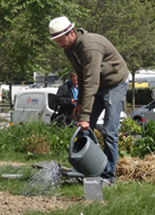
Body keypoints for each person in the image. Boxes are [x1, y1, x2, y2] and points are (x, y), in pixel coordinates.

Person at [49, 16, 129, 185]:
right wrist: (79, 103)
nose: (59, 45)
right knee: (85, 130)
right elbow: (82, 77)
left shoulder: (90, 46)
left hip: (115, 84)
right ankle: (88, 171)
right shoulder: (69, 48)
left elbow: (91, 80)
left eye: (60, 40)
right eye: (56, 41)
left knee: (109, 131)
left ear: (71, 33)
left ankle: (107, 177)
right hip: (98, 83)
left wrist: (85, 116)